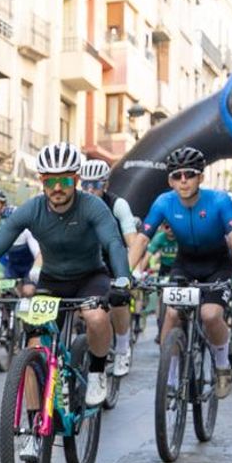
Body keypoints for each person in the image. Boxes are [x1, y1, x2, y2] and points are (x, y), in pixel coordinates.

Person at [0, 143, 130, 416]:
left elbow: (113, 243)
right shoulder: (31, 209)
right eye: (50, 181)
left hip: (90, 276)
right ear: (42, 181)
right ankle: (32, 423)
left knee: (97, 318)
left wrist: (122, 281)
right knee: (33, 348)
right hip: (52, 280)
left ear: (76, 180)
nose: (57, 188)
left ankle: (99, 371)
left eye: (64, 180)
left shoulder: (93, 206)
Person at [125, 146, 232, 398]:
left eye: (190, 174)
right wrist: (124, 273)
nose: (183, 180)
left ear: (201, 178)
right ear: (170, 180)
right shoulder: (164, 202)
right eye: (177, 175)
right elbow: (141, 240)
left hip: (218, 266)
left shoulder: (219, 201)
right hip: (185, 265)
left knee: (210, 315)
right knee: (171, 314)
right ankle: (169, 378)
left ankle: (221, 365)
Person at [78, 158, 139, 377]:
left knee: (119, 300)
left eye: (95, 185)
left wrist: (131, 271)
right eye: (85, 184)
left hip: (113, 260)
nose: (90, 190)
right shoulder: (76, 204)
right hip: (88, 261)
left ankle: (122, 347)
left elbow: (132, 240)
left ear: (106, 185)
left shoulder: (118, 204)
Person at [0, 189, 39, 296]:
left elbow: (37, 253)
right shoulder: (0, 229)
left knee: (28, 291)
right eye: (6, 220)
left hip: (29, 267)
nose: (10, 223)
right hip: (12, 267)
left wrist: (36, 269)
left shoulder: (27, 232)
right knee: (4, 293)